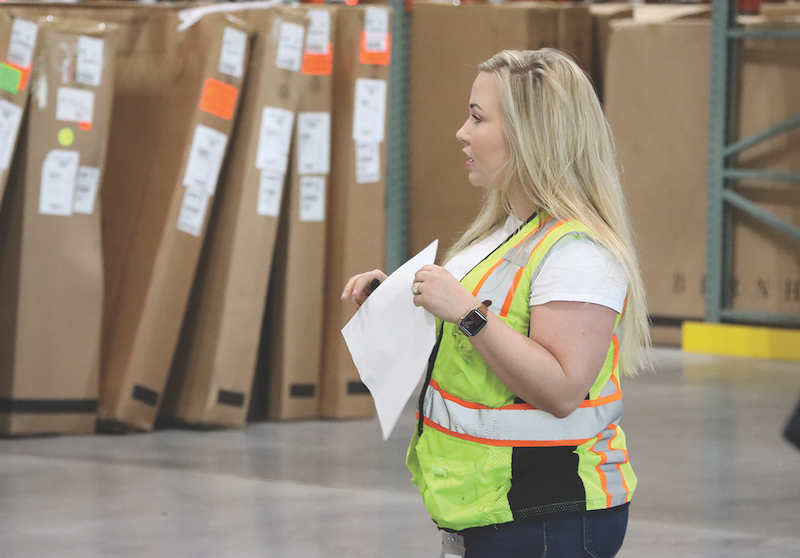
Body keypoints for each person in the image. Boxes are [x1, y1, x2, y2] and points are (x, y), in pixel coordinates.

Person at [341, 48, 650, 558]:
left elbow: (562, 389)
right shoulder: (504, 234)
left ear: (532, 134)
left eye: (478, 118)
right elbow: (470, 355)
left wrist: (466, 312)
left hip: (547, 511)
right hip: (491, 506)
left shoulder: (579, 252)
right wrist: (396, 303)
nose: (462, 132)